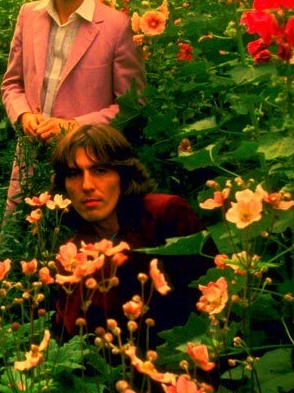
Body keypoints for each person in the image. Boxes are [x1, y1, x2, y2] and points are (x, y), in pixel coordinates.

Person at [1, 0, 145, 210]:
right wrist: (24, 115)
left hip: (87, 169)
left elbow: (132, 106)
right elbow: (12, 84)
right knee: (17, 246)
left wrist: (73, 127)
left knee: (75, 247)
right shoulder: (29, 16)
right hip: (31, 161)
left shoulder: (116, 26)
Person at [50, 124, 206, 339]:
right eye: (74, 174)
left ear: (123, 175)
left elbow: (208, 296)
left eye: (100, 170)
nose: (86, 185)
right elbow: (68, 339)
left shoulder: (164, 214)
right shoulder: (70, 256)